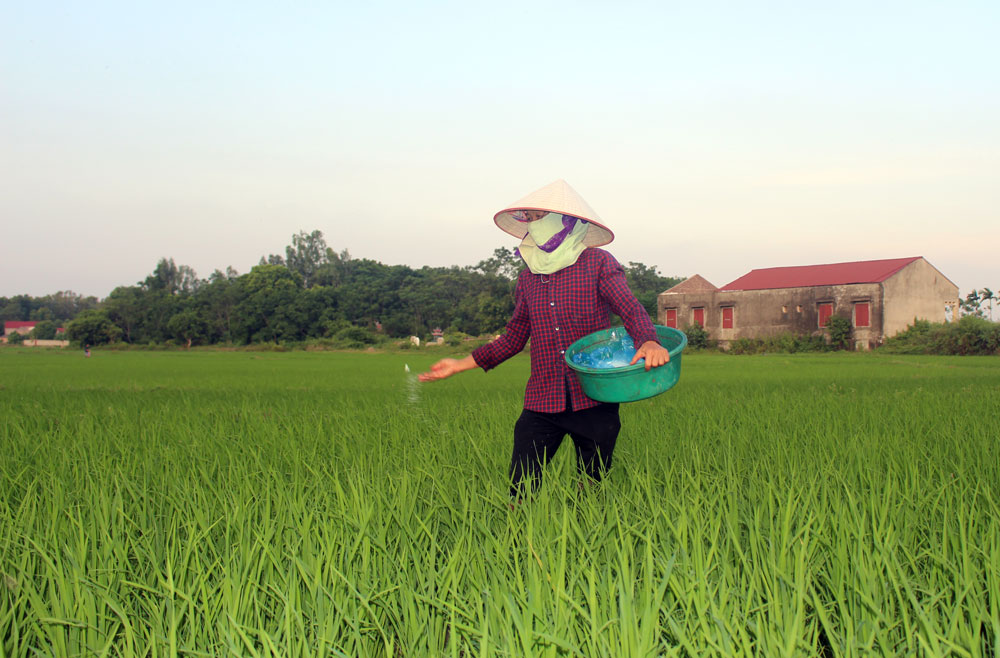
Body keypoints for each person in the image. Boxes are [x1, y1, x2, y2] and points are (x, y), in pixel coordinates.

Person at [419, 180, 670, 496]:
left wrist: (648, 340)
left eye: (537, 216)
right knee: (520, 488)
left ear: (564, 222)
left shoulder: (597, 263)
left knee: (591, 488)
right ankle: (516, 536)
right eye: (527, 217)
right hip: (543, 399)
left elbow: (630, 309)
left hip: (594, 396)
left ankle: (584, 537)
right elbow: (513, 337)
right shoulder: (528, 277)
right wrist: (460, 364)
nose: (531, 224)